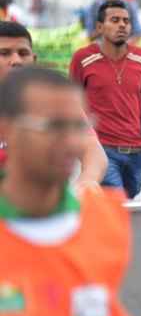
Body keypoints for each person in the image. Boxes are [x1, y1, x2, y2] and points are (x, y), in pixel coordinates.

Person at [0, 66, 135, 316]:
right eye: (55, 127)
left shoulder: (107, 222)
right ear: (8, 128)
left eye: (79, 126)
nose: (72, 141)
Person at [70, 0, 141, 199]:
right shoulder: (83, 58)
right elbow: (71, 104)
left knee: (125, 206)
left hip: (136, 152)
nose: (122, 25)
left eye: (126, 21)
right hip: (102, 151)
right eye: (114, 20)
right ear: (99, 27)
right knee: (117, 205)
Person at [0, 20, 108, 191]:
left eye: (23, 53)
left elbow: (93, 151)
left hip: (46, 209)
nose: (16, 60)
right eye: (4, 53)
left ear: (34, 59)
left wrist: (88, 181)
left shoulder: (57, 101)